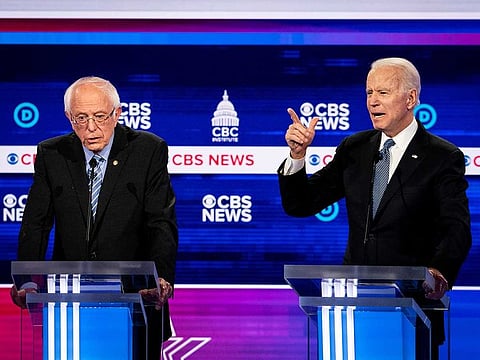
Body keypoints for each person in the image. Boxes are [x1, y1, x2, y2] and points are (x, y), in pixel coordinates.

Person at [278, 57, 471, 359]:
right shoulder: (355, 148)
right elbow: (302, 203)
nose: (372, 102)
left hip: (414, 307)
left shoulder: (441, 156)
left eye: (383, 93)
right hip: (352, 306)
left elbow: (456, 227)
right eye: (369, 93)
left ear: (411, 98)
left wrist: (438, 270)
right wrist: (297, 156)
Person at [10, 76, 178, 360]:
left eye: (100, 117)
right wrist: (27, 281)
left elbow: (160, 221)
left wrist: (160, 278)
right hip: (69, 300)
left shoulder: (147, 150)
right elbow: (36, 223)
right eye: (80, 118)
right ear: (68, 117)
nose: (91, 127)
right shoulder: (52, 154)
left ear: (118, 114)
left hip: (136, 296)